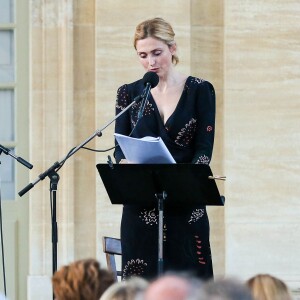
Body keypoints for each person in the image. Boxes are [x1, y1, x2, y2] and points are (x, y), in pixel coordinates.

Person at [114, 17, 216, 280]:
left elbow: (204, 150)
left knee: (190, 286)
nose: (151, 62)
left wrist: (186, 179)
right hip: (140, 208)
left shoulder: (200, 90)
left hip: (185, 204)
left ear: (173, 48)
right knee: (141, 287)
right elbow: (119, 148)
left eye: (157, 53)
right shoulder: (128, 93)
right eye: (143, 55)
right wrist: (123, 162)